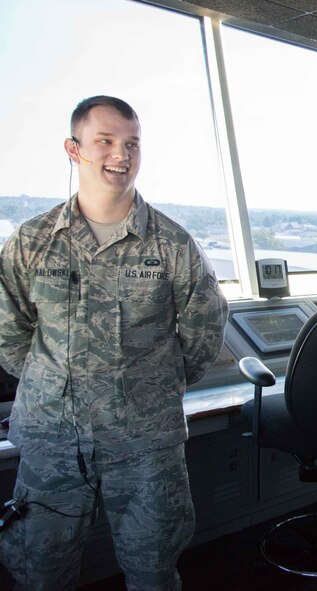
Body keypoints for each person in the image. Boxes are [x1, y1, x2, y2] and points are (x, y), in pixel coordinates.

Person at [0, 96, 228, 590]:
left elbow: (203, 333)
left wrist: (147, 391)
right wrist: (57, 387)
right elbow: (9, 331)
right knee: (41, 571)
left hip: (145, 444)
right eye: (104, 141)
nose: (120, 154)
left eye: (131, 144)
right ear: (73, 148)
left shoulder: (172, 244)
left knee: (153, 570)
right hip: (54, 440)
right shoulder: (33, 241)